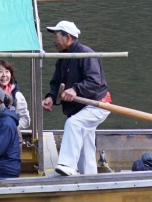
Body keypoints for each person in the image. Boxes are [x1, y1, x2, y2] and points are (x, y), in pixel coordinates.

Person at [42, 20, 110, 176]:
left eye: (56, 36)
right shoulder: (62, 60)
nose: (54, 41)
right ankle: (89, 177)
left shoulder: (85, 54)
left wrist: (75, 89)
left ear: (68, 37)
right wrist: (51, 97)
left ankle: (67, 165)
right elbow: (56, 83)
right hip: (81, 108)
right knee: (86, 145)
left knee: (73, 124)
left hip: (97, 104)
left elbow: (94, 82)